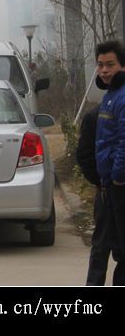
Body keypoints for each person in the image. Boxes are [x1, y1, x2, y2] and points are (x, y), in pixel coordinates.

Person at [95, 40, 125, 285]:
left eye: (110, 65)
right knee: (115, 246)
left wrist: (117, 175)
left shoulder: (122, 97)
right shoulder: (109, 96)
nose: (104, 70)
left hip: (119, 184)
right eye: (100, 65)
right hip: (110, 184)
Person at [76, 103, 114, 285]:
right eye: (101, 70)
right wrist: (100, 182)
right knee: (101, 246)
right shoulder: (95, 116)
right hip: (107, 191)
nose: (104, 71)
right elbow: (84, 154)